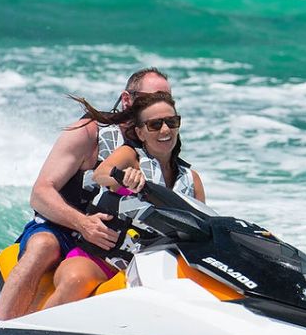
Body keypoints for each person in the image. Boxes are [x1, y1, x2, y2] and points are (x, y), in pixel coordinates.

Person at [0, 68, 171, 320]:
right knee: (43, 246)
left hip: (115, 242)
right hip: (62, 230)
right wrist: (84, 224)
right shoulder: (88, 132)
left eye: (165, 99)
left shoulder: (156, 141)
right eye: (151, 98)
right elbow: (41, 193)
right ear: (127, 100)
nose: (158, 107)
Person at [38, 91, 205, 306]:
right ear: (140, 132)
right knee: (74, 280)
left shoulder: (192, 179)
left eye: (171, 122)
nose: (165, 129)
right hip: (102, 258)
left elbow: (202, 226)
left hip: (158, 265)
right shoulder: (131, 156)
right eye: (155, 125)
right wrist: (124, 176)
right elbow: (102, 174)